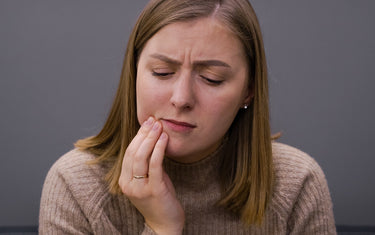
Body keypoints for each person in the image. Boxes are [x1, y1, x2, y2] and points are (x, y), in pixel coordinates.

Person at [39, 0, 336, 234]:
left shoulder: (297, 183)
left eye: (212, 78)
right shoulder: (74, 185)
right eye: (162, 73)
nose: (181, 98)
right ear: (133, 75)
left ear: (248, 91)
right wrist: (162, 228)